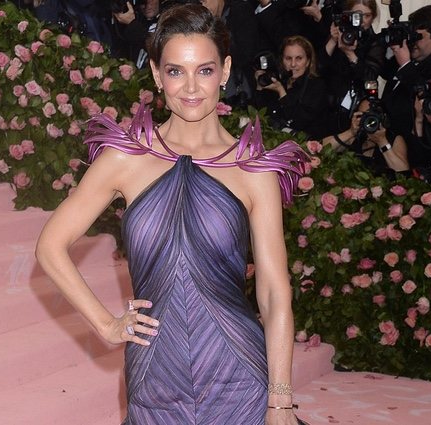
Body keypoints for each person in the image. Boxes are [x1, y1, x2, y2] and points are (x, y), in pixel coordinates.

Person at [35, 4, 308, 424]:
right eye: (176, 71)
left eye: (205, 69)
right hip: (154, 377)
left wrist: (281, 402)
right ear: (157, 75)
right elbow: (51, 246)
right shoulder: (125, 159)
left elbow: (273, 296)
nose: (191, 87)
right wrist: (107, 324)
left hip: (238, 377)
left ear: (225, 70)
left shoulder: (253, 170)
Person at [380, 5, 431, 164]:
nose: (413, 42)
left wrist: (405, 64)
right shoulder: (414, 57)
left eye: (418, 37)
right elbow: (386, 73)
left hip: (419, 147)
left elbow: (423, 91)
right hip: (391, 138)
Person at [320, 0, 386, 134]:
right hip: (326, 105)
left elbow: (370, 78)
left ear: (373, 18)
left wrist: (350, 54)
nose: (361, 20)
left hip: (356, 108)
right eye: (357, 15)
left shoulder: (376, 42)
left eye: (366, 16)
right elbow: (318, 68)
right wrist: (333, 40)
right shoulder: (340, 35)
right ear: (348, 15)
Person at [253, 35, 330, 139]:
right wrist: (260, 86)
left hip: (305, 145)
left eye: (299, 58)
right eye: (288, 58)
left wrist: (282, 92)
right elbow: (260, 114)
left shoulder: (316, 86)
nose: (293, 64)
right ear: (282, 60)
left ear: (308, 62)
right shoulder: (279, 81)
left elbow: (299, 121)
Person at [322, 98, 409, 176]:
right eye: (363, 115)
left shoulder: (394, 139)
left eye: (373, 115)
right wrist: (350, 132)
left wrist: (382, 142)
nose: (369, 120)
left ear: (383, 118)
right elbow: (321, 150)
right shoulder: (354, 136)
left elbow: (403, 172)